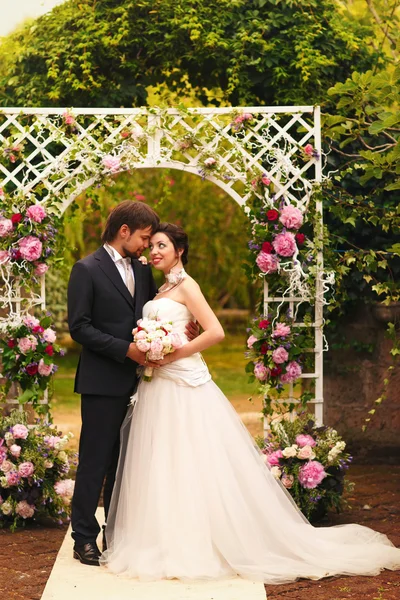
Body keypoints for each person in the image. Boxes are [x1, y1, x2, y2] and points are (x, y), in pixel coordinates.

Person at [101, 222, 400, 583]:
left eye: (162, 245)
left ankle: (198, 543)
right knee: (162, 459)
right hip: (157, 384)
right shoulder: (162, 287)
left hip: (182, 382)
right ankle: (161, 536)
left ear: (180, 250)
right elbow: (184, 326)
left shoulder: (188, 286)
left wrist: (173, 353)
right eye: (153, 247)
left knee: (189, 458)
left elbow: (216, 331)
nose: (155, 252)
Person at [67, 202, 196, 566]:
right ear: (124, 231)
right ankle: (84, 538)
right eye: (143, 238)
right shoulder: (86, 270)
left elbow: (152, 312)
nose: (146, 246)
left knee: (125, 462)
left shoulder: (142, 273)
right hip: (101, 382)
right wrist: (127, 350)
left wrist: (180, 329)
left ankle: (118, 532)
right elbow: (80, 327)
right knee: (95, 461)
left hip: (144, 384)